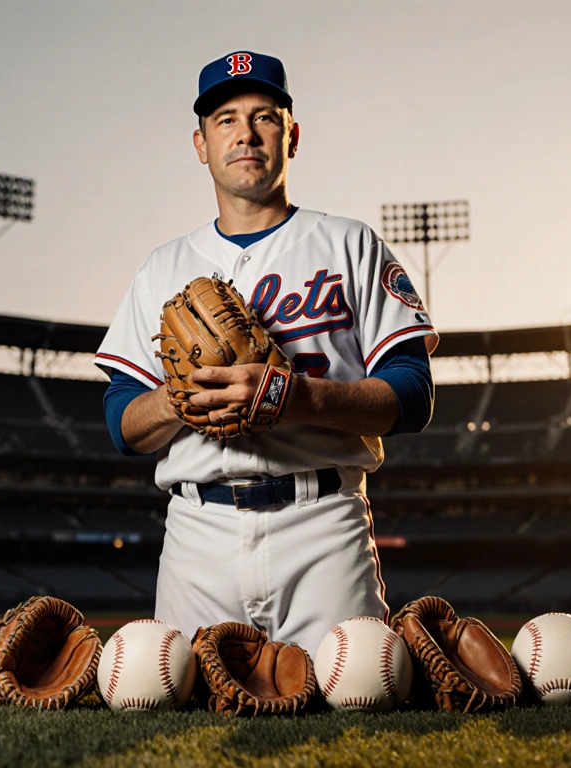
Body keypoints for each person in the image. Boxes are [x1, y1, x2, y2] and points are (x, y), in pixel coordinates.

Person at [94, 51, 437, 655]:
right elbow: (122, 423)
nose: (245, 134)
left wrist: (293, 396)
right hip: (198, 534)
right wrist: (180, 399)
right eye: (225, 119)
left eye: (264, 117)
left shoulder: (350, 243)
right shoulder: (162, 267)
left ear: (292, 136)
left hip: (323, 524)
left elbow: (411, 395)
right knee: (182, 721)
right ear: (201, 144)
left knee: (354, 704)